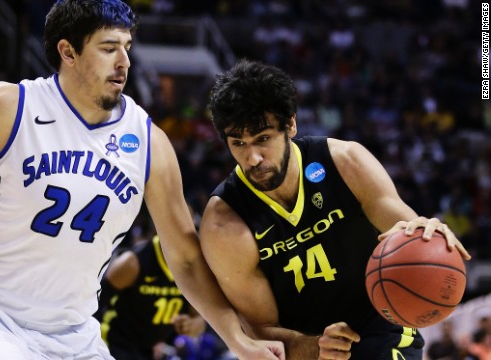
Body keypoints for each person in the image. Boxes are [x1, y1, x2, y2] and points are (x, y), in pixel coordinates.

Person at [0, 1, 285, 358]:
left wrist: (237, 338)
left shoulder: (148, 142)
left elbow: (184, 257)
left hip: (76, 333)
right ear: (68, 52)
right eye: (109, 48)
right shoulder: (11, 105)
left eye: (127, 47)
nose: (124, 61)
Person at [199, 59, 472, 359]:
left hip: (380, 327)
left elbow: (404, 226)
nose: (252, 158)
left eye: (263, 139)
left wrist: (429, 236)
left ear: (290, 124)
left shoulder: (346, 163)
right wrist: (314, 347)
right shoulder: (225, 223)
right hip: (303, 349)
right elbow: (259, 328)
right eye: (238, 143)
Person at [95, 234, 207, 360]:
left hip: (150, 349)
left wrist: (192, 325)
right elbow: (93, 305)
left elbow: (199, 320)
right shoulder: (132, 263)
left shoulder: (194, 269)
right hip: (115, 341)